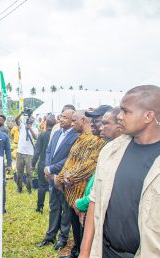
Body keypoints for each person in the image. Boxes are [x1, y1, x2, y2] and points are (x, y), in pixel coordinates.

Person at [79, 85, 160, 258]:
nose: (120, 117)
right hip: (105, 251)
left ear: (148, 116)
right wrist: (84, 252)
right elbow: (95, 201)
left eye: (126, 111)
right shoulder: (111, 151)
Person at [54, 111, 106, 258]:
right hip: (71, 192)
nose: (71, 123)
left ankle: (80, 253)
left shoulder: (96, 140)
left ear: (83, 120)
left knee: (83, 229)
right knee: (76, 227)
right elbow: (71, 161)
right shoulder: (80, 138)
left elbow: (91, 164)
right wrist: (60, 179)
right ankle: (75, 252)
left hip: (82, 192)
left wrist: (71, 177)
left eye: (74, 120)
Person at [37, 109, 79, 250]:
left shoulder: (76, 136)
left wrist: (53, 169)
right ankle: (50, 236)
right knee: (54, 207)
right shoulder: (56, 133)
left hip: (65, 180)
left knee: (65, 210)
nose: (61, 119)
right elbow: (49, 151)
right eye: (61, 117)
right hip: (51, 177)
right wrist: (48, 168)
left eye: (65, 118)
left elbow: (70, 159)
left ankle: (63, 238)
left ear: (73, 120)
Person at [74, 107, 122, 223]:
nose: (98, 126)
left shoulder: (116, 150)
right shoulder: (109, 147)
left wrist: (82, 203)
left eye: (102, 122)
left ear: (119, 125)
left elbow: (104, 187)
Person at [32, 116, 56, 214]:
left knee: (42, 186)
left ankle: (40, 207)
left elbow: (37, 151)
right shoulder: (57, 135)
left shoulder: (42, 135)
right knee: (53, 187)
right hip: (54, 164)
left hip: (42, 163)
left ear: (46, 124)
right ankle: (53, 208)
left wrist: (33, 164)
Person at [14, 111, 38, 193]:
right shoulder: (21, 126)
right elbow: (16, 119)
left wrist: (30, 128)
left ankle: (29, 188)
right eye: (29, 119)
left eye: (32, 119)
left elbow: (35, 138)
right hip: (20, 153)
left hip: (29, 154)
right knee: (19, 172)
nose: (30, 120)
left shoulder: (35, 129)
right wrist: (21, 113)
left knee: (29, 173)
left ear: (33, 121)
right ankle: (19, 187)